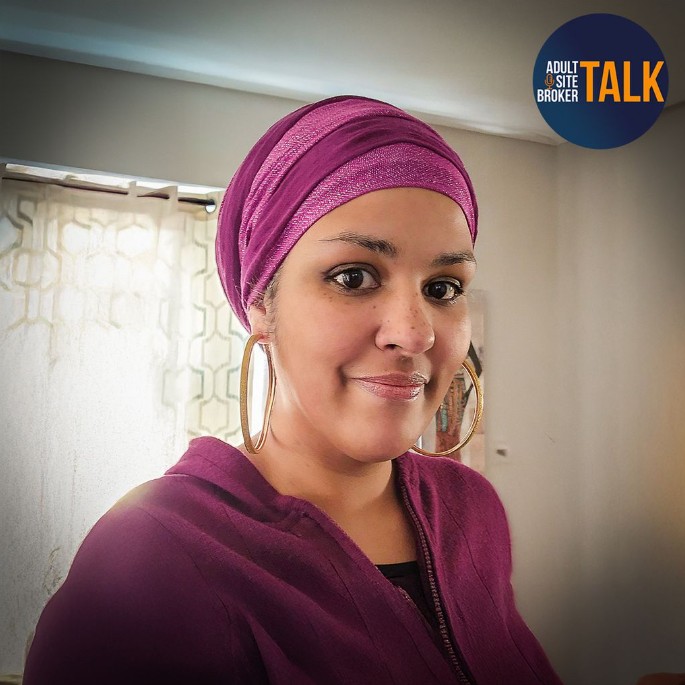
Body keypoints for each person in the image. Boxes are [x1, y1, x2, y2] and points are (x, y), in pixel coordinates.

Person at [24, 95, 563, 684]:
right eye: (353, 277)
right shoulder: (152, 554)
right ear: (261, 303)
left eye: (443, 287)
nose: (415, 333)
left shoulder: (471, 510)